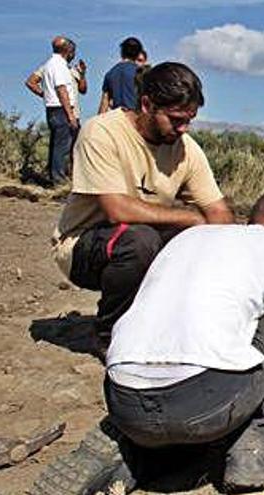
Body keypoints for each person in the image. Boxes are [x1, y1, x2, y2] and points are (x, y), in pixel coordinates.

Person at [33, 189, 264, 494]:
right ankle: (257, 452)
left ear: (249, 223)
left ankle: (140, 454)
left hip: (123, 396)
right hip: (203, 401)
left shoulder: (190, 238)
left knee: (181, 418)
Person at [51, 61, 234, 350]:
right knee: (140, 240)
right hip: (81, 247)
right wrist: (192, 219)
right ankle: (109, 336)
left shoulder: (187, 149)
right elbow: (117, 209)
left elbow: (220, 214)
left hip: (139, 241)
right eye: (175, 119)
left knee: (201, 239)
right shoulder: (102, 132)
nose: (184, 128)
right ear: (147, 105)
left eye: (189, 120)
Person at [29, 36, 81, 185]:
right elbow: (61, 89)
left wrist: (46, 96)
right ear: (68, 50)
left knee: (56, 144)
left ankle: (54, 177)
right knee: (62, 146)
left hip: (52, 108)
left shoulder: (49, 64)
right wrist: (70, 114)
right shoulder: (59, 65)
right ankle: (58, 180)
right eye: (73, 50)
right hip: (61, 109)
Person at [98, 37, 144, 113]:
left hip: (117, 118)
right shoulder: (141, 72)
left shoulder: (110, 73)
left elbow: (104, 104)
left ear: (122, 52)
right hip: (136, 117)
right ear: (138, 54)